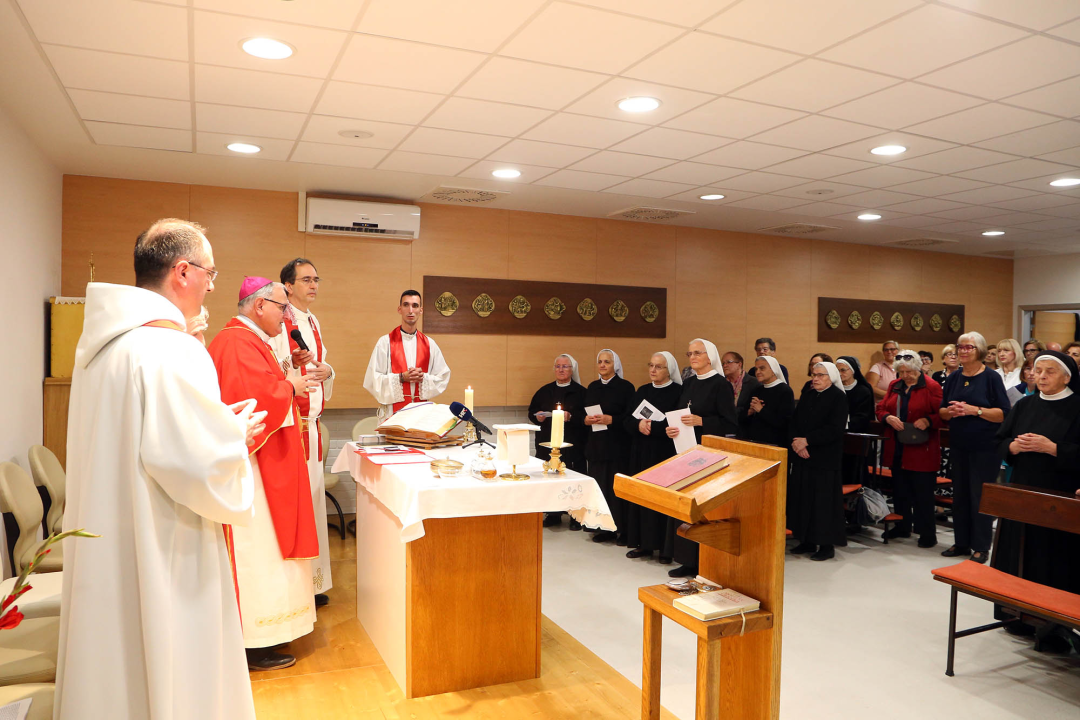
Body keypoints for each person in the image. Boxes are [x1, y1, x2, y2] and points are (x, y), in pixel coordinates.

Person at [56, 219, 260, 719]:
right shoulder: (171, 349)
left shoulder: (102, 347)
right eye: (210, 273)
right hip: (164, 541)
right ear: (183, 272)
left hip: (109, 535)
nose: (213, 285)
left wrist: (213, 428)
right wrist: (234, 439)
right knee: (172, 667)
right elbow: (188, 464)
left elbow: (146, 434)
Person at [208, 278, 320, 670]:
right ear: (259, 306)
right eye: (281, 307)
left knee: (272, 548)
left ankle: (268, 634)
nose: (286, 315)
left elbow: (266, 385)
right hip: (254, 471)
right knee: (258, 551)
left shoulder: (250, 339)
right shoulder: (237, 342)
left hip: (268, 463)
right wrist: (287, 385)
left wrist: (289, 377)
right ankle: (255, 641)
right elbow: (251, 404)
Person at [993, 351, 1080, 652]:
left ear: (1067, 377)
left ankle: (1053, 627)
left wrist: (1054, 448)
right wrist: (1013, 446)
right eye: (1037, 370)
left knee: (1051, 558)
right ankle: (1014, 615)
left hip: (1060, 495)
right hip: (1021, 492)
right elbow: (999, 440)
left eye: (1049, 372)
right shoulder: (1025, 404)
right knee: (1018, 551)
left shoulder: (1078, 407)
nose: (1040, 376)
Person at [273, 258, 335, 607]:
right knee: (298, 507)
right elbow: (277, 367)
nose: (313, 285)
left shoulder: (312, 320)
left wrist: (328, 370)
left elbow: (318, 365)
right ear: (288, 286)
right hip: (292, 426)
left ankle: (314, 585)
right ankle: (296, 591)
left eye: (316, 279)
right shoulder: (280, 321)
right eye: (306, 279)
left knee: (313, 505)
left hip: (311, 426)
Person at [666, 339, 739, 576]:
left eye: (698, 353)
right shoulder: (688, 383)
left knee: (703, 507)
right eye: (690, 353)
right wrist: (672, 428)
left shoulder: (721, 384)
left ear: (710, 357)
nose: (692, 357)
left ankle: (706, 559)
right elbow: (679, 412)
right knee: (685, 506)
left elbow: (730, 423)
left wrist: (703, 421)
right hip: (684, 452)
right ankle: (687, 559)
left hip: (708, 455)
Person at [938, 331, 1010, 564]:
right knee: (960, 495)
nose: (963, 351)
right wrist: (952, 411)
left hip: (985, 446)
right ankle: (961, 541)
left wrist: (974, 410)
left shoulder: (991, 378)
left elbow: (1002, 414)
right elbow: (941, 411)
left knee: (979, 496)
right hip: (959, 444)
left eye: (968, 347)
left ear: (978, 350)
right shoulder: (953, 378)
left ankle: (980, 546)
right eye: (960, 347)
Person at [876, 350, 943, 548]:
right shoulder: (894, 385)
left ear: (918, 368)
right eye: (902, 372)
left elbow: (944, 414)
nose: (906, 376)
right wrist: (887, 417)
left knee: (922, 493)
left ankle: (927, 533)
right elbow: (880, 409)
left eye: (910, 372)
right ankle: (903, 526)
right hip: (897, 446)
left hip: (922, 448)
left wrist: (928, 420)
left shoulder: (932, 386)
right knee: (900, 490)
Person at [623, 352, 683, 562]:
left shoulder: (678, 392)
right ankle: (643, 544)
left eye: (658, 367)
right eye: (651, 365)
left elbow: (677, 424)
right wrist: (638, 425)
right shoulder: (642, 391)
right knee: (642, 498)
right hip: (640, 452)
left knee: (662, 500)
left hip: (664, 453)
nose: (653, 370)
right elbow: (626, 420)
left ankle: (665, 549)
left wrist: (654, 428)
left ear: (669, 371)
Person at [788, 362, 849, 561]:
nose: (815, 378)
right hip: (803, 456)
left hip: (825, 458)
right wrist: (798, 443)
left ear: (830, 377)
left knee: (822, 504)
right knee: (803, 500)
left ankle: (825, 545)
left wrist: (808, 441)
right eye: (814, 375)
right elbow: (795, 421)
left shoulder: (838, 398)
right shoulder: (808, 395)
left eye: (820, 375)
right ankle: (806, 540)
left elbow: (835, 429)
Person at [363, 290, 451, 418]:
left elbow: (443, 377)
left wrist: (423, 378)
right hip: (392, 414)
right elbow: (371, 380)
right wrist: (401, 377)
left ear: (421, 310)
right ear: (399, 309)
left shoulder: (430, 344)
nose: (410, 310)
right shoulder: (385, 343)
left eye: (415, 306)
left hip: (422, 414)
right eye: (406, 305)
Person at [529, 354, 588, 529]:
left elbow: (587, 417)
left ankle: (576, 516)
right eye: (558, 366)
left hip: (573, 443)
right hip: (547, 443)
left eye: (565, 367)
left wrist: (572, 417)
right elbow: (531, 411)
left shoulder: (582, 392)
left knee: (572, 479)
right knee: (550, 478)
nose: (561, 370)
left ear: (572, 370)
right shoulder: (544, 391)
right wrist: (537, 417)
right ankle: (553, 514)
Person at [584, 349, 636, 545]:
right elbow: (584, 410)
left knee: (615, 490)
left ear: (616, 365)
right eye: (600, 361)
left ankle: (622, 529)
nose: (603, 365)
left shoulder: (626, 387)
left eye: (607, 362)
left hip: (617, 446)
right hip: (597, 445)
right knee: (600, 488)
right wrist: (586, 419)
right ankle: (603, 527)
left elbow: (631, 417)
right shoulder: (592, 386)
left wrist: (611, 419)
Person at [742, 355, 794, 447]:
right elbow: (744, 418)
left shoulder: (785, 391)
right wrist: (749, 412)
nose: (758, 372)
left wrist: (761, 410)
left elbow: (784, 423)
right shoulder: (757, 390)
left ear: (773, 370)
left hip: (775, 443)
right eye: (756, 369)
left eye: (762, 368)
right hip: (754, 441)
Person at [836, 356, 874, 433]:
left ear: (852, 371)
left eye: (843, 370)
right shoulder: (834, 389)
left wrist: (844, 425)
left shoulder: (863, 391)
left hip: (856, 433)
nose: (839, 374)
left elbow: (863, 417)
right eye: (837, 371)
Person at [722, 350, 759, 422]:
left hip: (745, 426)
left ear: (739, 364)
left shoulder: (753, 383)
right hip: (724, 426)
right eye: (723, 363)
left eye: (728, 362)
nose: (725, 365)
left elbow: (751, 410)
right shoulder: (721, 383)